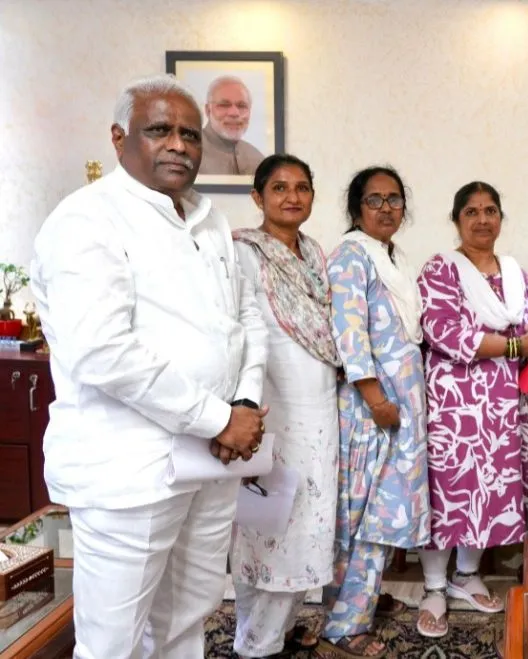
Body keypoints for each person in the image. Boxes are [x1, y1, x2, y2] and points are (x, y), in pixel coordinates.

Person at [29, 74, 269, 659]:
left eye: (189, 133)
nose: (180, 145)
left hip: (210, 463)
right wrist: (219, 418)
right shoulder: (86, 220)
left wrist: (243, 403)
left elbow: (247, 318)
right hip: (129, 473)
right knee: (113, 641)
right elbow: (104, 351)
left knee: (190, 617)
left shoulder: (209, 218)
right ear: (120, 138)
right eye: (160, 130)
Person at [415, 182, 528, 638]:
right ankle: (434, 586)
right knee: (449, 490)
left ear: (501, 217)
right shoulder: (441, 269)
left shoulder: (516, 272)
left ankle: (466, 575)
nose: (482, 220)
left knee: (489, 490)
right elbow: (445, 333)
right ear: (457, 220)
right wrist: (519, 343)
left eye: (490, 210)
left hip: (502, 405)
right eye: (471, 212)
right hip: (453, 404)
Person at [230, 154, 340, 657]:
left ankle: (263, 636)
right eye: (279, 188)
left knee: (305, 529)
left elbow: (328, 335)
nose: (292, 197)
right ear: (258, 198)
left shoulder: (316, 255)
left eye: (302, 187)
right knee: (265, 526)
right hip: (270, 409)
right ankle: (257, 643)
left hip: (320, 412)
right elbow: (239, 334)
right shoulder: (243, 254)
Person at [322, 166, 431, 658]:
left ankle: (358, 601)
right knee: (364, 518)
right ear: (355, 208)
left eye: (394, 199)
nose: (386, 208)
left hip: (398, 403)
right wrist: (377, 399)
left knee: (383, 514)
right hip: (372, 408)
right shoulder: (350, 258)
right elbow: (350, 338)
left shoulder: (390, 257)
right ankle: (344, 627)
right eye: (374, 200)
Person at [198, 75, 264, 176]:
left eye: (242, 106)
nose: (234, 113)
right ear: (208, 110)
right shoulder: (189, 152)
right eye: (224, 105)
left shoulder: (257, 159)